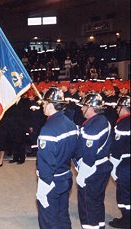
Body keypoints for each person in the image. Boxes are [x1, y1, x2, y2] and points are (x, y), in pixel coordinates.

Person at [36, 87, 78, 229]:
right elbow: (74, 152)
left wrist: (44, 184)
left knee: (49, 219)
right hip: (66, 176)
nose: (42, 105)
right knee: (63, 215)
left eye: (44, 103)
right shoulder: (70, 123)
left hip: (52, 181)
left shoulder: (48, 129)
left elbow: (46, 161)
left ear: (51, 104)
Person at [75, 92, 113, 229]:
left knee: (87, 206)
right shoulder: (101, 121)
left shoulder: (93, 127)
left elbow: (89, 154)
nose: (81, 108)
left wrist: (83, 174)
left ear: (90, 107)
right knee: (97, 202)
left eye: (83, 106)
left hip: (92, 170)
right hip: (102, 167)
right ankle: (99, 226)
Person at [109, 96, 130, 228]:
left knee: (125, 193)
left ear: (123, 108)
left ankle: (127, 220)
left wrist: (113, 168)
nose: (117, 110)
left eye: (118, 107)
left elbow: (117, 149)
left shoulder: (122, 124)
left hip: (126, 163)